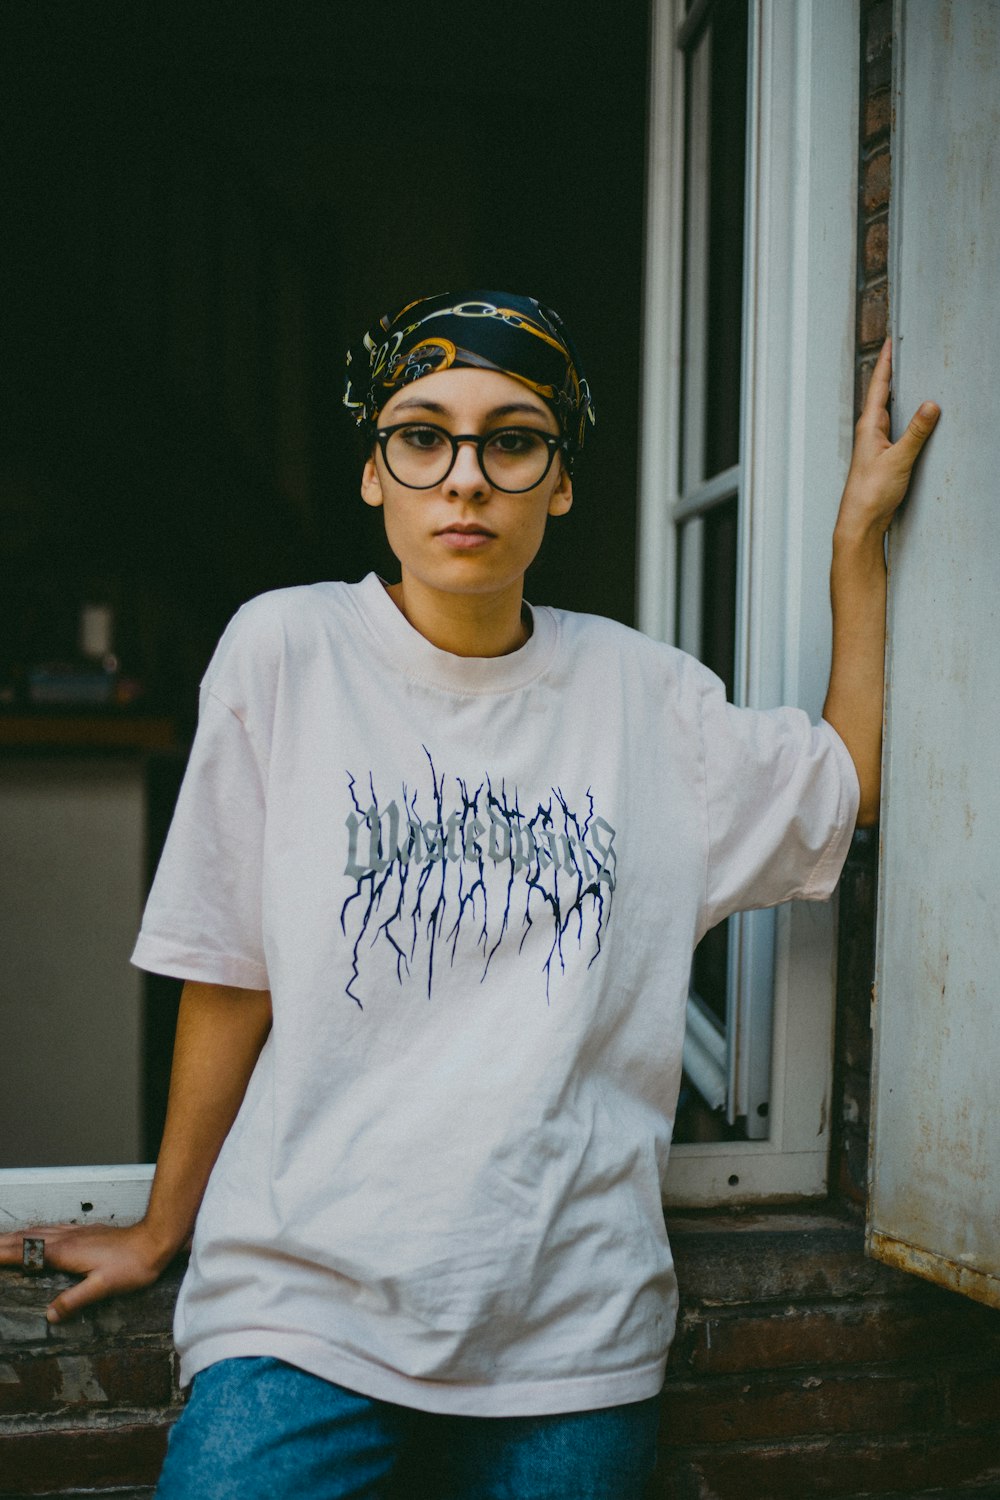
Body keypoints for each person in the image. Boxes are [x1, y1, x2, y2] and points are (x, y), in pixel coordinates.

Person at [1, 292, 939, 1499]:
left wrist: (855, 541)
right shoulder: (285, 652)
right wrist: (160, 1222)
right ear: (372, 474)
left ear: (556, 481)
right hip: (301, 1311)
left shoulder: (646, 701)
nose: (464, 479)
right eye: (421, 435)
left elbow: (845, 782)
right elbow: (229, 968)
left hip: (569, 1333)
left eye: (511, 439)